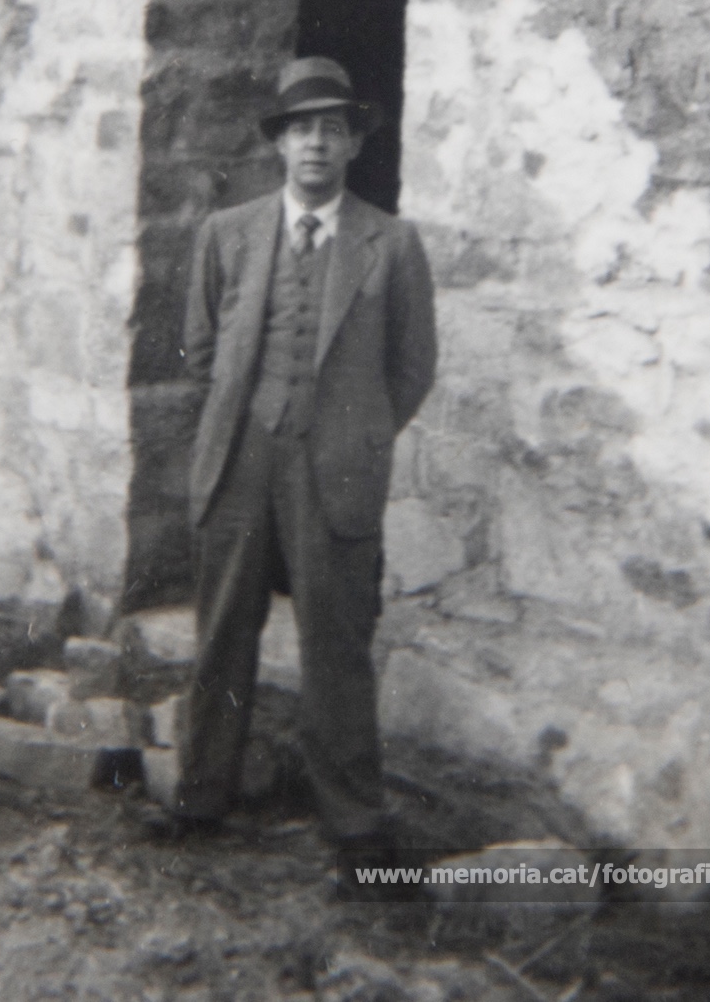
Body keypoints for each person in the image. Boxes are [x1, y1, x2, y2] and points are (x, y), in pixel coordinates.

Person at [166, 55, 436, 876]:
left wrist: (355, 435)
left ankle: (354, 823)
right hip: (240, 455)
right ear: (278, 145)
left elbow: (411, 368)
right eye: (300, 130)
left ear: (352, 145)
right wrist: (246, 417)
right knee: (221, 632)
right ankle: (199, 796)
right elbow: (202, 349)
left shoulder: (392, 243)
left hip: (335, 464)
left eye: (332, 129)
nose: (315, 143)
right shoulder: (227, 233)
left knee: (335, 641)